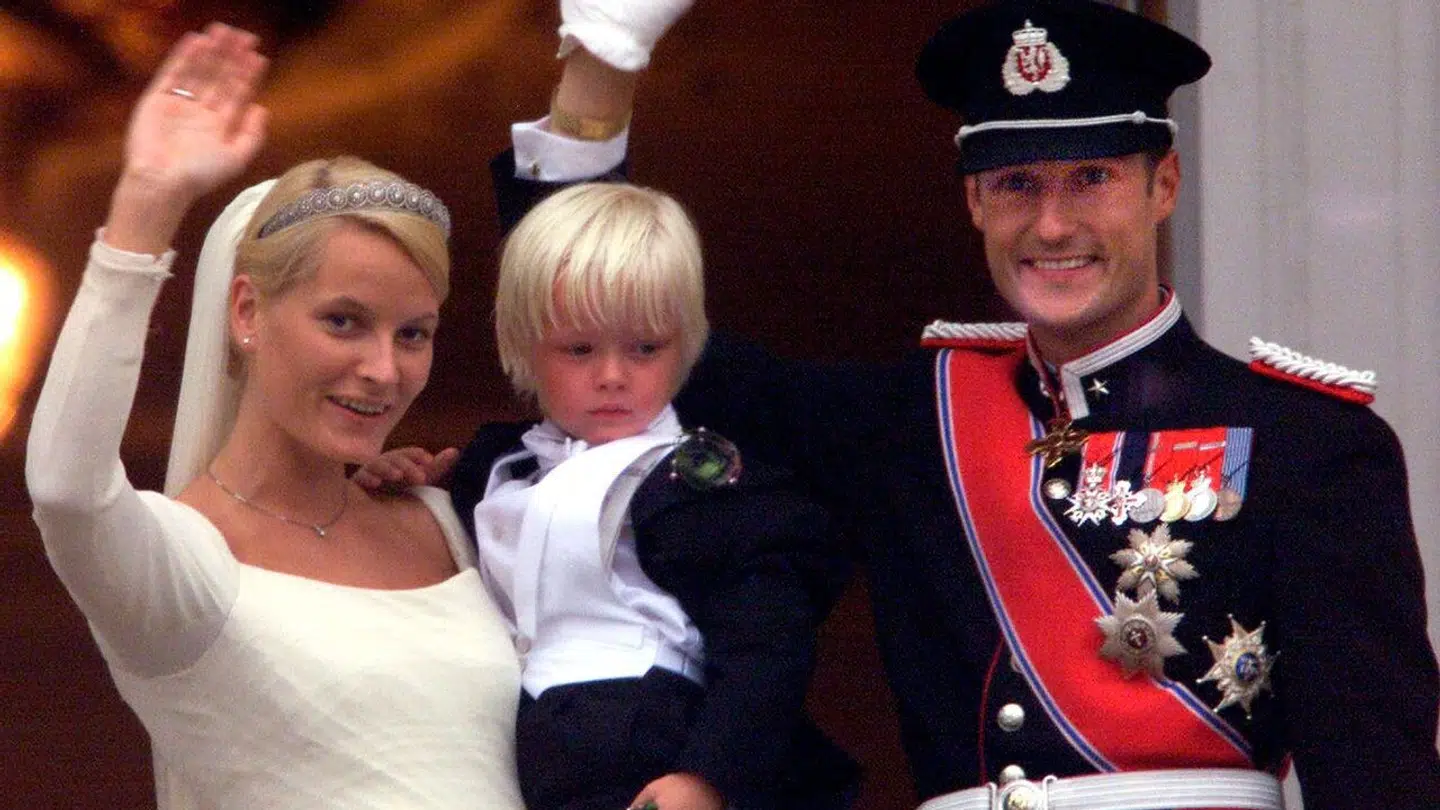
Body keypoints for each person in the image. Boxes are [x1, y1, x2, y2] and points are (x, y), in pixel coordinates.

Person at [471, 0, 1440, 807]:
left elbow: (1378, 781)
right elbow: (605, 317)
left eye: (1092, 178)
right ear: (974, 201)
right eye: (1017, 183)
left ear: (1165, 185)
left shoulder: (1309, 443)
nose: (1053, 223)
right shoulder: (910, 422)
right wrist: (601, 67)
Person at [24, 24, 523, 810]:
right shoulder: (180, 567)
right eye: (344, 322)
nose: (384, 370)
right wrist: (147, 203)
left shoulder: (445, 520)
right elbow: (65, 489)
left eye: (413, 333)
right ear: (248, 310)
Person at [361, 181, 857, 810]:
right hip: (508, 744)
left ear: (687, 344)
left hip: (643, 739)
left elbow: (766, 653)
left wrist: (707, 777)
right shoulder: (500, 462)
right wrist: (411, 475)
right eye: (579, 349)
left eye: (645, 347)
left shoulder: (710, 486)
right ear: (523, 345)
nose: (613, 375)